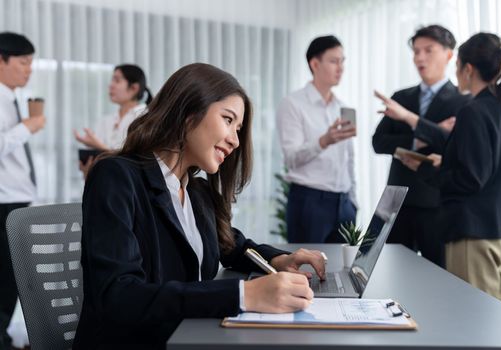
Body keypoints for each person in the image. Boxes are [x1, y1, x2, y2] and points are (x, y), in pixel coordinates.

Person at [73, 63, 326, 349]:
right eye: (228, 120)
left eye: (239, 129)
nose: (234, 140)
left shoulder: (195, 190)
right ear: (188, 112)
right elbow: (119, 295)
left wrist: (279, 259)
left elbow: (233, 245)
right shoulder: (117, 176)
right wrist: (244, 295)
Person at [399, 33, 501, 306]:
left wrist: (428, 169)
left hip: (474, 230)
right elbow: (498, 168)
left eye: (457, 66)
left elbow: (470, 179)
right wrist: (448, 163)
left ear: (468, 69)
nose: (456, 74)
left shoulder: (473, 110)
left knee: (473, 315)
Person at [372, 25, 470, 267]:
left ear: (449, 55)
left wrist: (418, 126)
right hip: (396, 203)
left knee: (438, 279)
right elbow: (378, 142)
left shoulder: (463, 100)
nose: (420, 58)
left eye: (428, 50)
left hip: (435, 204)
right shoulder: (401, 97)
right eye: (416, 51)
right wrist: (424, 137)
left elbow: (455, 145)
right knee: (389, 273)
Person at [276, 35, 357, 244]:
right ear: (314, 64)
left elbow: (349, 159)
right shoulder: (292, 104)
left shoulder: (343, 107)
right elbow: (291, 158)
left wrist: (353, 202)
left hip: (344, 204)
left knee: (343, 269)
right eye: (334, 61)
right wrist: (324, 141)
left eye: (342, 61)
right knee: (307, 273)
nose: (341, 68)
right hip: (309, 202)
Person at [0, 32, 46, 350]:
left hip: (15, 198)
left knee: (10, 275)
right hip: (4, 201)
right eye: (23, 62)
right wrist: (27, 128)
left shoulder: (11, 98)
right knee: (5, 275)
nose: (29, 69)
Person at [74, 64, 151, 177]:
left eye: (117, 80)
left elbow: (137, 162)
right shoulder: (105, 121)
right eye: (112, 80)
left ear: (134, 88)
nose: (111, 85)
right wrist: (88, 169)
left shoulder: (145, 118)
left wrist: (101, 147)